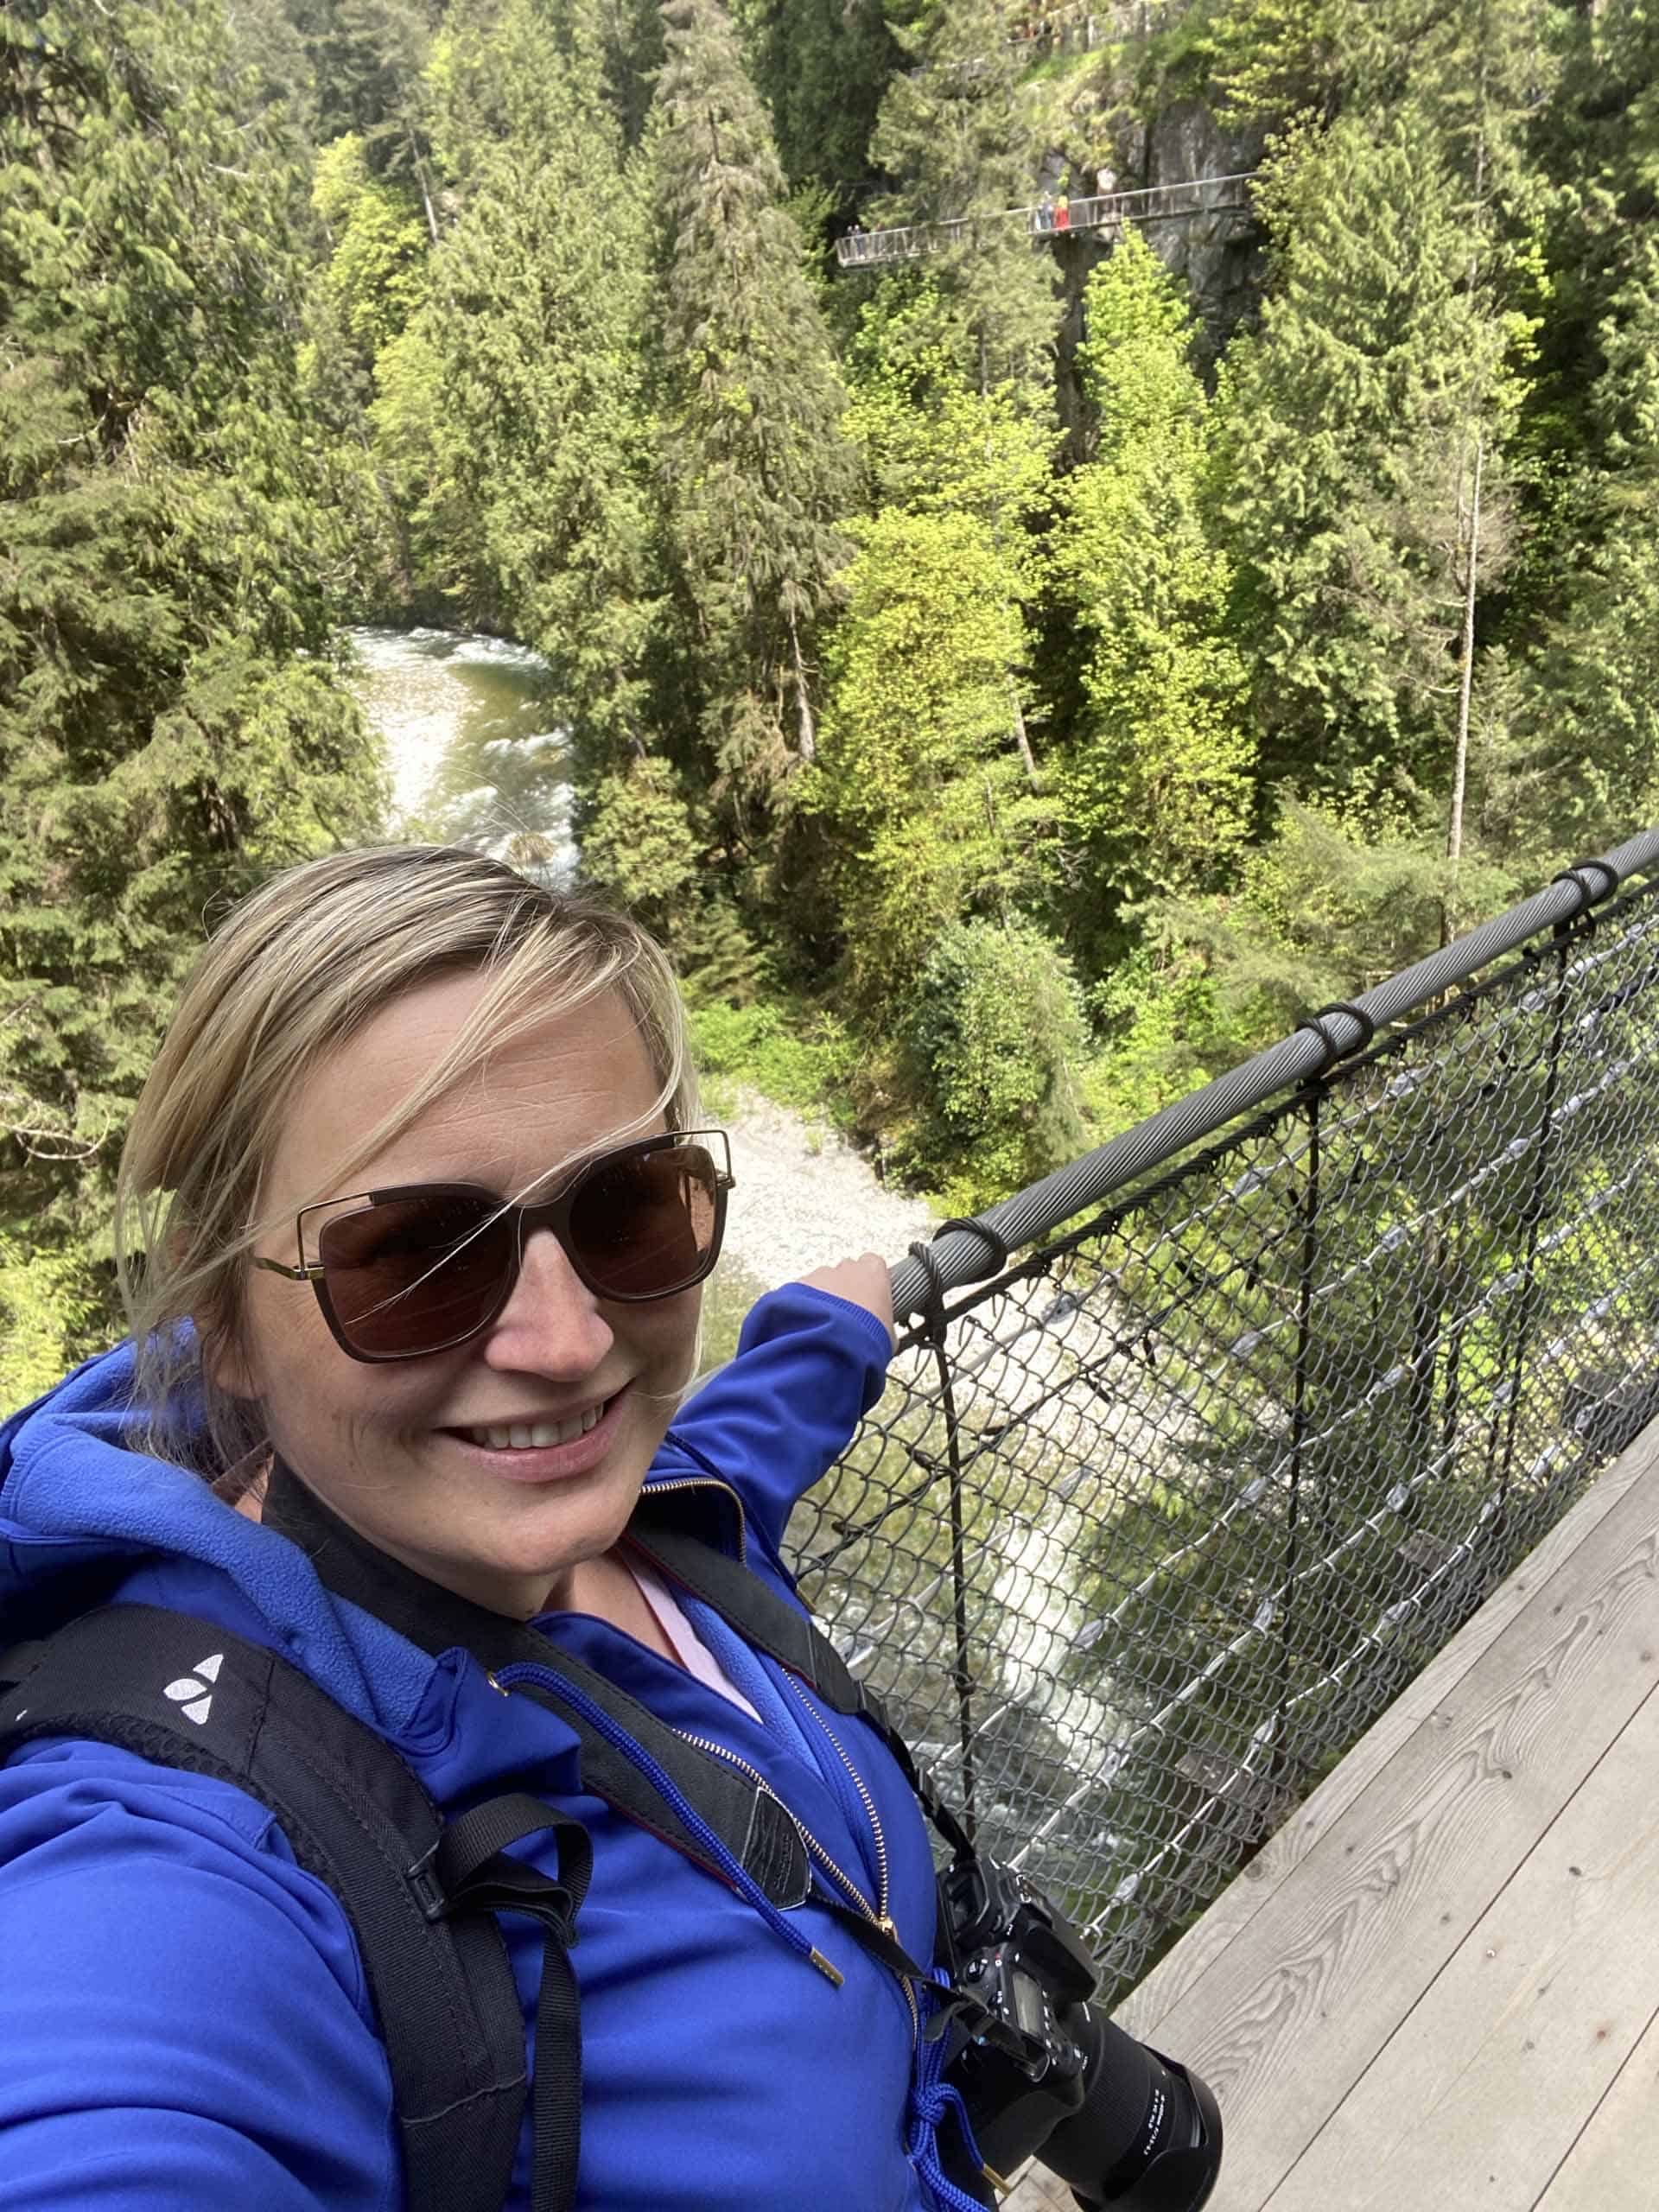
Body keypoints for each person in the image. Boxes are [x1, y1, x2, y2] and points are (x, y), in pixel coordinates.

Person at [0, 846, 1219, 2210]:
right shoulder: (187, 1849)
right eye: (417, 1261)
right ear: (223, 1319)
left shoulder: (648, 1525)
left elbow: (724, 1447)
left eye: (629, 1210)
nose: (571, 1340)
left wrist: (837, 1321)